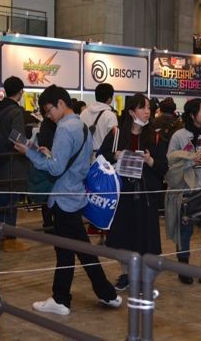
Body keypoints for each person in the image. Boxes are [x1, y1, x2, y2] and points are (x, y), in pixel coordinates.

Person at [13, 84, 121, 316]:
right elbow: (72, 160)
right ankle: (106, 293)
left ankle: (61, 299)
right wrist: (48, 153)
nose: (48, 115)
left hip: (64, 198)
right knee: (81, 250)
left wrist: (30, 153)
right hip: (75, 195)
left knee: (66, 252)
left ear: (61, 104)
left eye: (48, 109)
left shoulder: (64, 128)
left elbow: (55, 168)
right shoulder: (81, 125)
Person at [98, 93, 168, 291]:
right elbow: (101, 157)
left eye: (148, 108)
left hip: (145, 197)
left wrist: (150, 161)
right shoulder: (116, 134)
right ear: (131, 111)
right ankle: (128, 274)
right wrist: (114, 155)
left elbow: (163, 167)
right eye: (142, 108)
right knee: (123, 238)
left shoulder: (154, 137)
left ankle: (146, 280)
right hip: (122, 196)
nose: (147, 112)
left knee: (147, 239)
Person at [166, 98, 201, 283]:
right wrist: (191, 159)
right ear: (192, 114)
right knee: (184, 232)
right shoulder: (179, 136)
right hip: (186, 191)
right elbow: (170, 162)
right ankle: (184, 268)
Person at [0, 76, 30, 252]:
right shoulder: (16, 112)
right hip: (13, 162)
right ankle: (10, 239)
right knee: (12, 200)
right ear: (20, 91)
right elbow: (18, 139)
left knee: (1, 199)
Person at [80, 83, 117, 155]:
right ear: (109, 99)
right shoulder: (110, 116)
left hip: (85, 156)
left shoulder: (83, 113)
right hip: (103, 157)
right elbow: (113, 141)